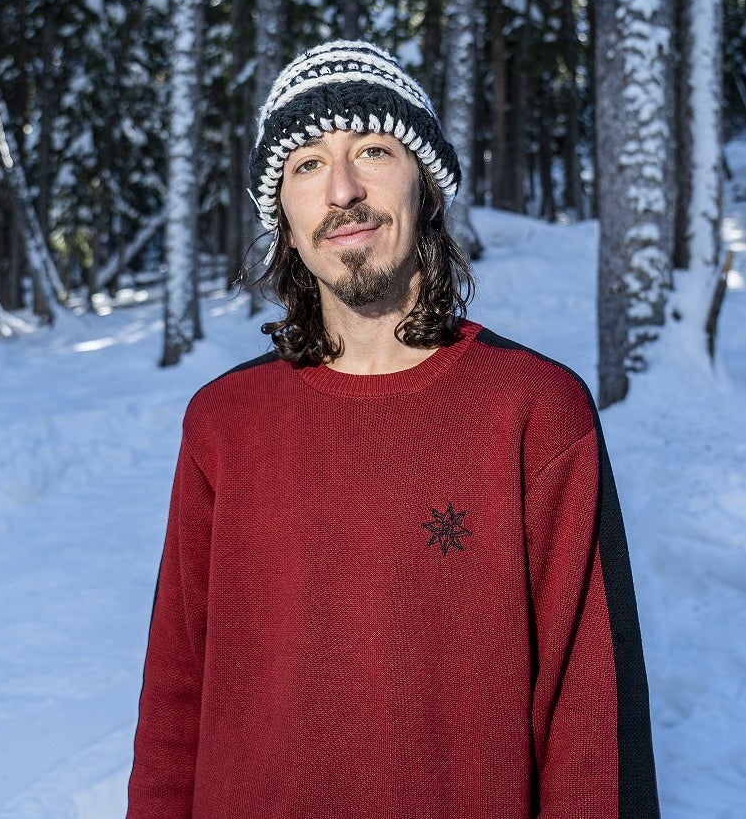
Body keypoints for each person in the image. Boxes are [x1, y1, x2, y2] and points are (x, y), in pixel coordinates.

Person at [127, 40, 660, 818]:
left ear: (429, 188)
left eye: (373, 150)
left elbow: (591, 713)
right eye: (307, 163)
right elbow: (176, 696)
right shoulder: (224, 424)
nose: (342, 189)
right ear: (284, 217)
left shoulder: (535, 410)